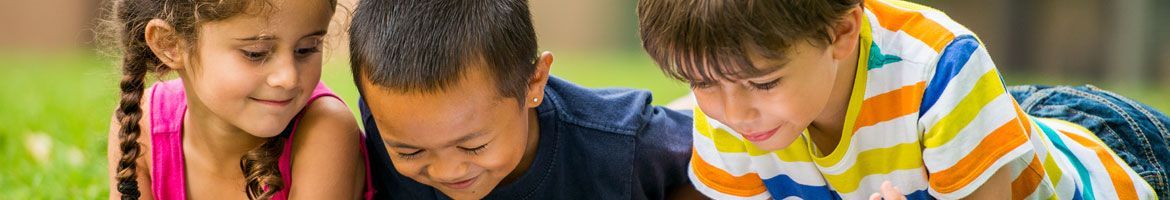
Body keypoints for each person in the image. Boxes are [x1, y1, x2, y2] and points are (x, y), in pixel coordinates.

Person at [637, 0, 1168, 199]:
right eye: (702, 84)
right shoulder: (728, 94)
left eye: (765, 83)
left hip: (1114, 154)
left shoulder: (941, 64)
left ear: (842, 32)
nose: (732, 114)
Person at [348, 0, 698, 199]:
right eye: (410, 151)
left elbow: (726, 157)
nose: (447, 171)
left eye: (473, 146)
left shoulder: (619, 144)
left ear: (534, 81)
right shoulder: (384, 126)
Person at [103, 0, 372, 199]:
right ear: (169, 44)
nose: (289, 78)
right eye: (256, 53)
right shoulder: (140, 127)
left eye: (306, 49)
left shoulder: (325, 130)